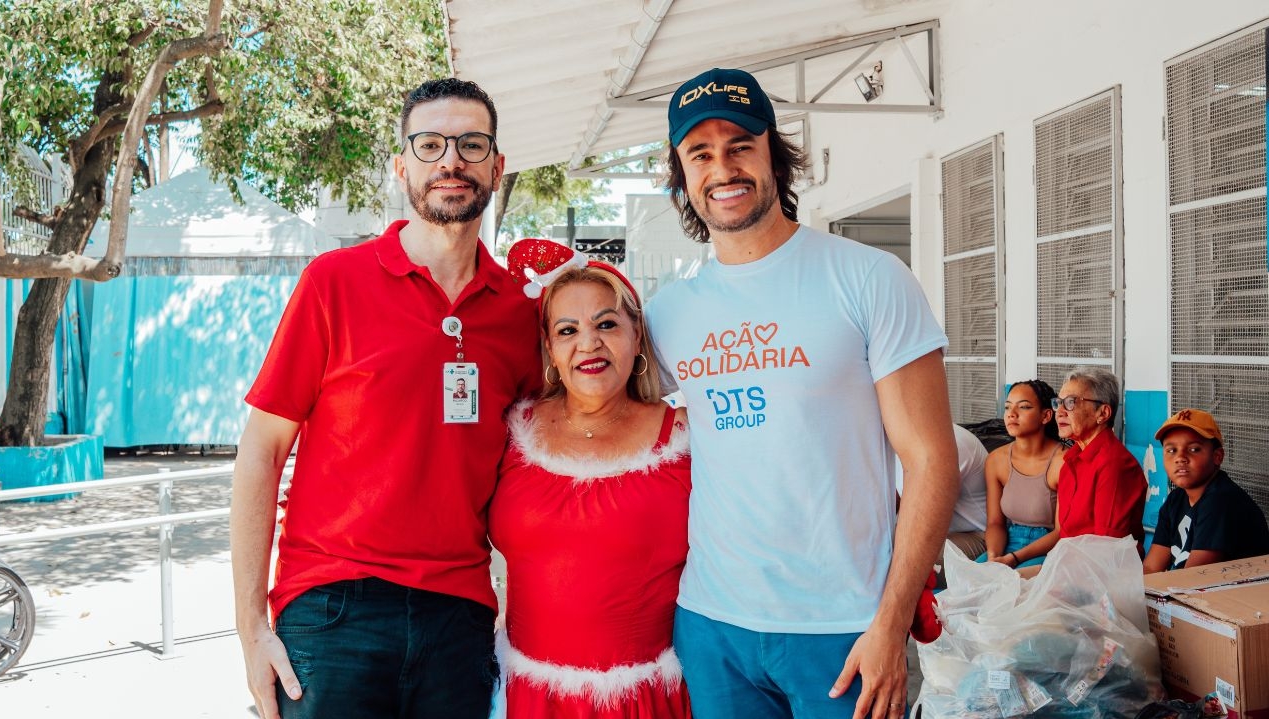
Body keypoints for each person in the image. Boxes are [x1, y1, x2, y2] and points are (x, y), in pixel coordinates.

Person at [646, 67, 959, 719]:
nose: (722, 167)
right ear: (682, 174)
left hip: (844, 626)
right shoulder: (667, 314)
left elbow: (932, 460)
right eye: (699, 153)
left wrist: (891, 622)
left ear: (774, 155)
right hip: (712, 623)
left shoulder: (867, 277)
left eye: (740, 145)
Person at [230, 78, 541, 719]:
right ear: (402, 166)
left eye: (471, 144)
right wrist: (250, 627)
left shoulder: (520, 313)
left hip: (459, 613)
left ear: (497, 165)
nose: (450, 161)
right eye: (430, 145)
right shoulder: (333, 283)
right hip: (332, 606)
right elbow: (261, 452)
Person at [491, 239, 692, 717]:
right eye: (567, 330)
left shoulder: (687, 435)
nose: (589, 344)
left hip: (645, 702)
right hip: (525, 700)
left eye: (606, 324)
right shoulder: (511, 431)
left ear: (636, 335)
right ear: (550, 348)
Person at [1143, 409, 1269, 573]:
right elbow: (1152, 567)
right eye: (1171, 450)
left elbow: (1195, 576)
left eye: (1194, 449)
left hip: (1228, 595)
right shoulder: (1176, 499)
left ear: (1217, 456)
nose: (1180, 457)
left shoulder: (1221, 500)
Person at [1050, 367, 1146, 557]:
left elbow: (1106, 550)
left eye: (1070, 403)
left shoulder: (1115, 464)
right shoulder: (1070, 460)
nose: (1060, 412)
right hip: (1069, 567)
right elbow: (1064, 535)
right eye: (1058, 403)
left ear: (1102, 413)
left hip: (1100, 575)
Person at [979, 380, 1064, 570]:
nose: (1011, 414)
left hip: (1048, 551)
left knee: (1013, 590)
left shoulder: (1062, 462)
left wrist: (1014, 559)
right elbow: (995, 523)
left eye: (1024, 407)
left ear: (1046, 415)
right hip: (1006, 545)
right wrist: (993, 557)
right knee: (966, 587)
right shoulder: (996, 460)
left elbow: (1061, 532)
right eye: (1008, 407)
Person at [897, 424, 988, 588]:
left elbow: (922, 517)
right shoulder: (894, 443)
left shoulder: (950, 444)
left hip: (977, 537)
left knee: (891, 563)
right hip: (933, 532)